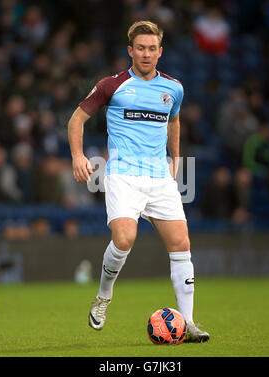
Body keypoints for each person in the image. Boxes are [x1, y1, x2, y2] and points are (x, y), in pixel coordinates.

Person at [67, 20, 209, 343]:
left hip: (159, 178)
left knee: (181, 243)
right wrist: (78, 156)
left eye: (152, 49)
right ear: (130, 51)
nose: (146, 54)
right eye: (140, 48)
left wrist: (175, 158)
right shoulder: (111, 85)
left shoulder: (174, 87)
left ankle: (187, 324)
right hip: (123, 176)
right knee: (125, 239)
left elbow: (174, 121)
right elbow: (76, 120)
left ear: (161, 51)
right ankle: (104, 296)